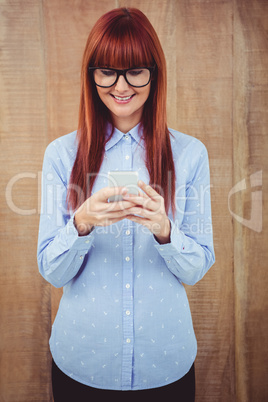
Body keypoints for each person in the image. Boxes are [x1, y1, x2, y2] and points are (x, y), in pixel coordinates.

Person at [37, 7, 215, 401]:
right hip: (83, 363)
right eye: (107, 71)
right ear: (92, 75)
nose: (121, 85)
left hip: (165, 363)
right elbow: (52, 270)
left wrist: (165, 230)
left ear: (154, 72)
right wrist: (81, 222)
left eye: (135, 70)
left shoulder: (189, 155)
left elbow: (198, 266)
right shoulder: (62, 155)